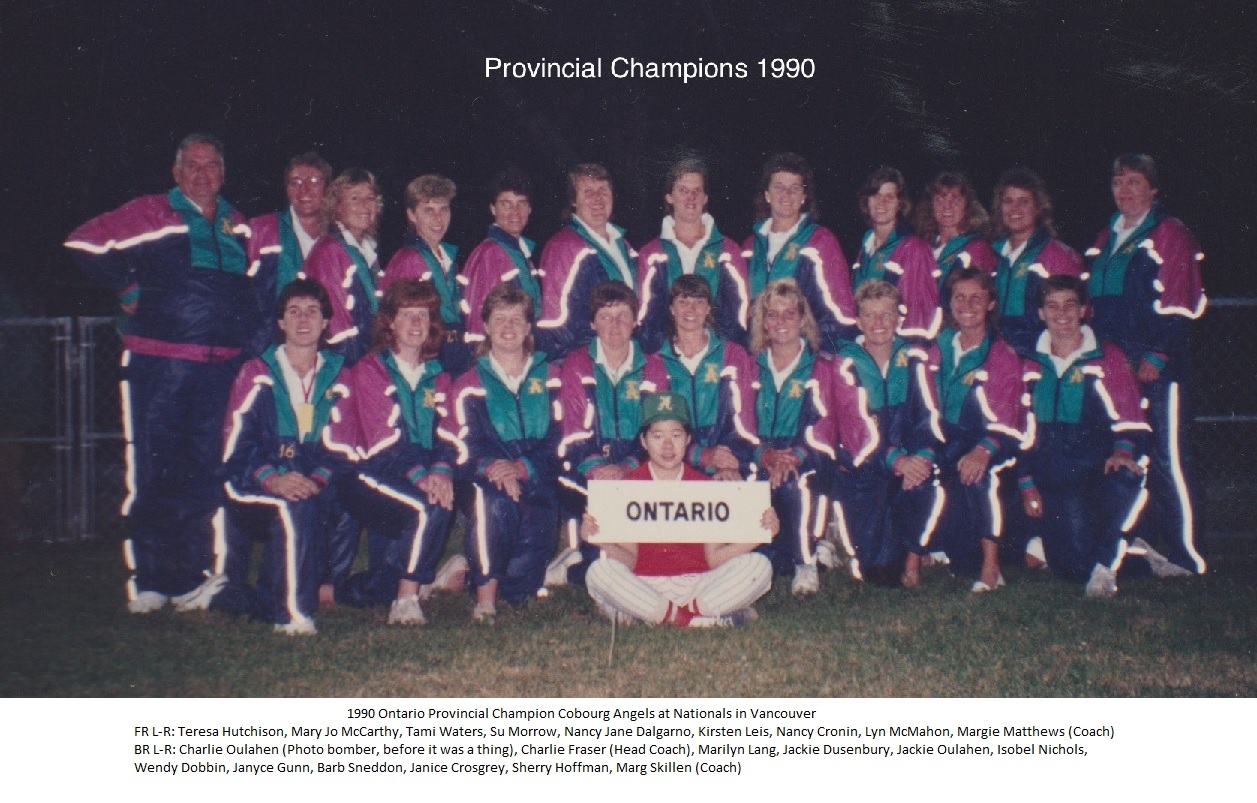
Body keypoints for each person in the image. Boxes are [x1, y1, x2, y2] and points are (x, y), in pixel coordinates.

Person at [64, 133, 262, 612]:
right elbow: (83, 241)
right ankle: (151, 580)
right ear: (176, 173)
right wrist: (127, 286)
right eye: (191, 166)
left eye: (211, 166)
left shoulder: (237, 224)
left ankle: (191, 577)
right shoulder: (151, 212)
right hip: (161, 363)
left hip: (219, 369)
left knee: (203, 471)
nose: (202, 174)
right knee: (155, 468)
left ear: (223, 173)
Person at [1084, 153, 1206, 575]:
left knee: (1168, 457)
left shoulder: (1169, 233)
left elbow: (1181, 299)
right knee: (1130, 452)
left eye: (1134, 182)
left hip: (1157, 366)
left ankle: (1186, 552)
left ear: (1154, 189)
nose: (1125, 190)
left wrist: (1158, 354)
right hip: (1116, 367)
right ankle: (1142, 537)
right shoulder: (1106, 236)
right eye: (1118, 182)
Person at [1018, 276, 1169, 597]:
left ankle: (1108, 558)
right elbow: (1023, 431)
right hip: (1052, 478)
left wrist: (1123, 450)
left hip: (1093, 474)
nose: (1062, 313)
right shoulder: (1031, 363)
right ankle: (1131, 549)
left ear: (1084, 310)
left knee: (1125, 477)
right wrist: (1027, 481)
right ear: (1041, 313)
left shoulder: (1106, 358)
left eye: (1070, 304)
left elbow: (1132, 419)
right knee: (1066, 568)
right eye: (1052, 305)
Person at [215, 279, 349, 634]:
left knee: (304, 504)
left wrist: (316, 479)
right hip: (253, 486)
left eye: (312, 311)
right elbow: (235, 449)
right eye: (293, 311)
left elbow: (344, 445)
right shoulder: (256, 373)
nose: (303, 319)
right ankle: (292, 614)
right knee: (294, 506)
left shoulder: (340, 374)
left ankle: (259, 599)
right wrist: (273, 478)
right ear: (280, 322)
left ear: (325, 323)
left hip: (314, 483)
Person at [329, 280, 463, 624]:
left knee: (434, 501)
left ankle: (346, 592)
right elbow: (383, 442)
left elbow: (447, 434)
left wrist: (442, 470)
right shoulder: (371, 370)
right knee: (427, 506)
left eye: (423, 315)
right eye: (407, 315)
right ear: (390, 322)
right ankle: (406, 600)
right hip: (369, 474)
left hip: (413, 473)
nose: (417, 323)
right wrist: (424, 475)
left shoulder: (438, 375)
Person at [582, 392, 776, 627]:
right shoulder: (628, 487)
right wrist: (600, 540)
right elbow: (630, 560)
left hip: (698, 585)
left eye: (676, 435)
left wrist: (760, 535)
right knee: (599, 571)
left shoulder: (704, 485)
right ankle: (699, 620)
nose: (667, 446)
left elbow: (714, 558)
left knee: (759, 566)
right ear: (643, 441)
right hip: (646, 584)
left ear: (687, 439)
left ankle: (662, 616)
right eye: (657, 436)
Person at [439, 284, 562, 623]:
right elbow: (461, 443)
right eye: (499, 319)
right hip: (486, 477)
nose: (508, 327)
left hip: (537, 474)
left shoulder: (552, 377)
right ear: (487, 327)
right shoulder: (467, 383)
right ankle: (484, 598)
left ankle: (468, 570)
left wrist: (523, 467)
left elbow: (560, 435)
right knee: (493, 505)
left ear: (528, 329)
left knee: (521, 589)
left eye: (517, 320)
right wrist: (493, 465)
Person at [917, 267, 1024, 591]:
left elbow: (1007, 419)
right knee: (914, 468)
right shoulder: (938, 346)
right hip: (946, 440)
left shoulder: (1000, 353)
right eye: (959, 297)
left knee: (981, 476)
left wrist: (983, 450)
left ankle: (992, 570)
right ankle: (923, 549)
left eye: (976, 298)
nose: (967, 305)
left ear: (991, 303)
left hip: (992, 440)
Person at [831, 281, 941, 587]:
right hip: (866, 465)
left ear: (899, 319)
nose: (878, 323)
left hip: (908, 463)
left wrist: (920, 458)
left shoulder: (915, 359)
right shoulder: (846, 362)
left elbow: (928, 417)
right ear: (858, 321)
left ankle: (913, 559)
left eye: (886, 314)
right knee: (878, 572)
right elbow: (853, 428)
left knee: (924, 485)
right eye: (869, 315)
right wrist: (895, 460)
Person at [548, 281, 658, 587]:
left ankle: (578, 565)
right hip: (585, 467)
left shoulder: (653, 366)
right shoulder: (576, 363)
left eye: (623, 315)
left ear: (635, 321)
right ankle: (586, 563)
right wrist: (598, 468)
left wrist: (627, 466)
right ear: (592, 322)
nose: (615, 324)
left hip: (633, 464)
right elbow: (573, 430)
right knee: (609, 537)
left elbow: (658, 428)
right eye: (605, 316)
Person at [748, 279, 855, 594]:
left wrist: (796, 454)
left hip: (806, 454)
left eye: (789, 314)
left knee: (795, 483)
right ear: (763, 322)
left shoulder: (822, 365)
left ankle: (805, 563)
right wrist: (763, 455)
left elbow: (826, 422)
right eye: (772, 315)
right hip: (763, 453)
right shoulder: (750, 366)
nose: (781, 322)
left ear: (802, 319)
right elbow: (740, 419)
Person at [642, 274, 759, 480]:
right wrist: (701, 455)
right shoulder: (655, 362)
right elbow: (654, 431)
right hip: (674, 466)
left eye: (699, 302)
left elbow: (745, 424)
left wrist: (728, 463)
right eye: (683, 302)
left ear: (708, 308)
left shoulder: (733, 355)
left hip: (727, 464)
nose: (691, 310)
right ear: (671, 309)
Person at [743, 152, 857, 351]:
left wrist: (819, 359)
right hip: (759, 360)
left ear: (804, 197)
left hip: (804, 358)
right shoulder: (749, 248)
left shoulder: (820, 242)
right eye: (779, 187)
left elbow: (841, 314)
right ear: (767, 195)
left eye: (794, 188)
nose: (786, 194)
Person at [636, 157, 751, 351]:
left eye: (697, 191)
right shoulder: (651, 253)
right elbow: (646, 318)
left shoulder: (727, 251)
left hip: (715, 356)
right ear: (669, 196)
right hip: (668, 358)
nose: (691, 198)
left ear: (705, 198)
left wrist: (720, 354)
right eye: (683, 190)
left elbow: (739, 315)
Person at [536, 163, 637, 358]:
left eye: (603, 190)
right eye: (588, 191)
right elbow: (555, 324)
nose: (597, 198)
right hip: (587, 363)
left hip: (621, 359)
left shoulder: (624, 246)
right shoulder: (565, 246)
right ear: (573, 200)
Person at [379, 174, 473, 376]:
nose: (438, 218)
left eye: (443, 209)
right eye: (428, 210)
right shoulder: (409, 260)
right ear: (412, 215)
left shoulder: (446, 257)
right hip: (427, 359)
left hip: (452, 356)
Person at [989, 167, 1083, 357]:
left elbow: (1074, 318)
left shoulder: (1058, 256)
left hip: (1039, 360)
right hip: (998, 360)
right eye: (1008, 201)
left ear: (1038, 207)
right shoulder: (993, 255)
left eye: (1023, 202)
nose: (1015, 209)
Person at [301, 168, 384, 366]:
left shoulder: (366, 252)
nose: (365, 206)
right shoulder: (330, 251)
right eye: (355, 198)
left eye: (370, 198)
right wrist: (356, 368)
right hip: (345, 362)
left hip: (368, 357)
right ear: (337, 207)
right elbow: (337, 326)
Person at [850, 166, 941, 341]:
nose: (881, 203)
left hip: (897, 352)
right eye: (876, 195)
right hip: (867, 346)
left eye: (889, 197)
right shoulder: (865, 247)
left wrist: (909, 359)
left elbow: (919, 316)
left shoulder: (913, 249)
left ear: (900, 204)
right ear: (866, 201)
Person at [461, 168, 543, 351]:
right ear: (492, 208)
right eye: (506, 204)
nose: (515, 212)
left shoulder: (520, 252)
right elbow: (478, 319)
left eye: (521, 203)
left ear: (529, 209)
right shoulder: (491, 254)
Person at [247, 152, 333, 310]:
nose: (304, 190)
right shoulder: (262, 229)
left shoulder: (338, 239)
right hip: (272, 331)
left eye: (313, 181)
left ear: (327, 187)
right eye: (295, 182)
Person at [912, 170, 998, 287]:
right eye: (940, 200)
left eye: (955, 200)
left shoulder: (976, 248)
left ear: (967, 206)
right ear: (930, 205)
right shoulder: (923, 245)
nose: (947, 206)